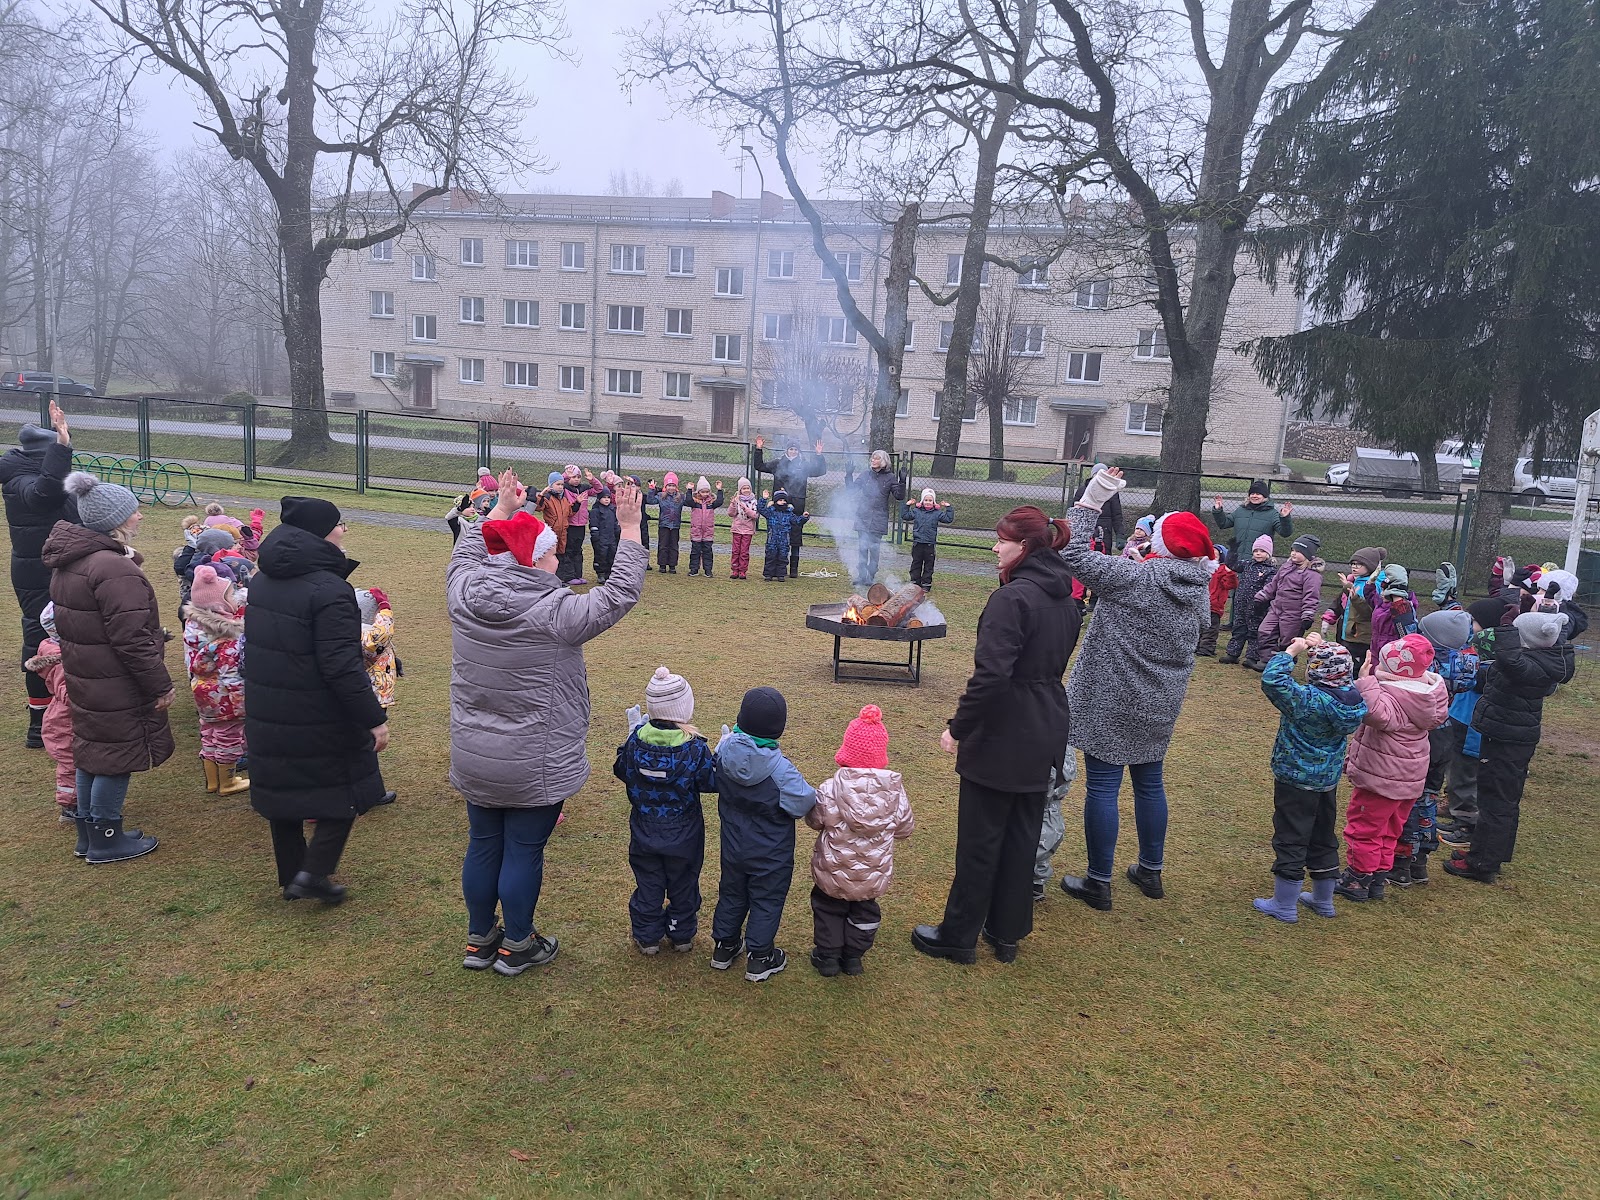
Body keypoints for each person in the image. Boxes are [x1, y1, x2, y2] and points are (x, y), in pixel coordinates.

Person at [448, 471, 646, 974]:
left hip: (476, 753)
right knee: (523, 849)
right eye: (552, 552)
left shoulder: (463, 592)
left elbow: (467, 552)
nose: (558, 558)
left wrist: (500, 509)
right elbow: (618, 594)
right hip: (533, 760)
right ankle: (517, 943)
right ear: (535, 559)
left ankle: (479, 939)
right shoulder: (557, 612)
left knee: (483, 843)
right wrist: (630, 529)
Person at [913, 506, 1080, 964]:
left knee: (981, 839)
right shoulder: (1065, 597)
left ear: (1023, 546)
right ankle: (1007, 932)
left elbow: (992, 677)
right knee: (1021, 835)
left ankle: (958, 936)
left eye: (1001, 540)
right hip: (1045, 727)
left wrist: (958, 728)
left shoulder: (1011, 600)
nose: (994, 547)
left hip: (1006, 730)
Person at [1055, 468, 1212, 911]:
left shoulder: (1134, 577)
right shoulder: (1198, 590)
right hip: (1161, 702)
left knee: (1103, 786)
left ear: (1160, 545)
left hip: (1111, 697)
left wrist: (1093, 498)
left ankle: (1098, 882)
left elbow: (1072, 553)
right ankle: (1150, 870)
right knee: (1149, 782)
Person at [244, 496, 391, 904]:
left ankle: (293, 873)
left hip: (269, 702)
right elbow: (341, 664)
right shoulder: (330, 590)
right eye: (339, 524)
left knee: (283, 788)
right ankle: (312, 873)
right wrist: (373, 718)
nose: (344, 530)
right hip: (317, 708)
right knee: (344, 790)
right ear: (321, 533)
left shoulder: (263, 578)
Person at [43, 471, 175, 863]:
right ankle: (106, 838)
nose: (140, 515)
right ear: (114, 520)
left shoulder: (74, 562)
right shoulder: (112, 568)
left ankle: (89, 835)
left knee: (94, 752)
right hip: (115, 680)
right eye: (133, 510)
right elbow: (131, 638)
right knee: (116, 757)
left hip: (88, 676)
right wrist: (159, 685)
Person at [1445, 610, 1575, 883]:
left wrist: (1505, 629)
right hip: (1512, 737)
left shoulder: (1525, 666)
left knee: (1495, 800)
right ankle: (1490, 853)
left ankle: (1482, 863)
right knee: (1503, 799)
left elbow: (1507, 658)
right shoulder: (1544, 660)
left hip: (1506, 739)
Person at [1251, 636, 1367, 921]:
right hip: (1326, 780)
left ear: (1314, 671)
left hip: (1295, 779)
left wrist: (1291, 652)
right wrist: (1322, 645)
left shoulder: (1306, 700)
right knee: (1323, 836)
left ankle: (1284, 904)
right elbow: (1335, 668)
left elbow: (1273, 680)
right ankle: (1323, 900)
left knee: (1291, 837)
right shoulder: (1352, 700)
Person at [711, 686, 816, 983]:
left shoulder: (724, 753)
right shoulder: (781, 771)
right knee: (766, 899)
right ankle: (760, 957)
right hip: (771, 855)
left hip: (733, 848)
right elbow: (804, 802)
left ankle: (724, 947)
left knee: (732, 892)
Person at [1336, 634, 1448, 902]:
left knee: (1364, 828)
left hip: (1382, 778)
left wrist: (1365, 681)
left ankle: (1358, 878)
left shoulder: (1394, 695)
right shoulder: (1428, 694)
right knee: (1390, 829)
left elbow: (1375, 713)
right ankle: (1378, 877)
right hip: (1409, 779)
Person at [613, 666, 717, 955]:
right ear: (684, 709)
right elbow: (710, 781)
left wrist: (628, 741)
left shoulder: (636, 742)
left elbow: (621, 770)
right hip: (685, 834)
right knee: (684, 884)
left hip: (644, 831)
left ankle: (647, 937)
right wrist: (721, 755)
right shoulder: (695, 748)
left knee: (648, 883)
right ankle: (681, 934)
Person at [806, 705, 915, 977]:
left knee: (828, 907)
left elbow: (815, 820)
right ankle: (853, 957)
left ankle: (828, 957)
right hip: (872, 873)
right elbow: (905, 828)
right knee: (864, 910)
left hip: (834, 869)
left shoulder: (830, 788)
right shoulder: (895, 793)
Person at [1, 402, 77, 747]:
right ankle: (38, 725)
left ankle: (66, 710)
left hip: (53, 564)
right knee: (39, 639)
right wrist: (62, 445)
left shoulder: (33, 474)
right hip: (37, 571)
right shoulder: (21, 480)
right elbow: (45, 496)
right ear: (44, 457)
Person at [1393, 608, 1476, 886]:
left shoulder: (1426, 665)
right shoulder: (1463, 663)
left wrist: (1401, 610)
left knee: (1407, 797)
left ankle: (1401, 860)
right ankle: (1420, 862)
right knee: (1428, 796)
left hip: (1420, 734)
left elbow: (1407, 645)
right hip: (1445, 732)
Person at [183, 565, 250, 797]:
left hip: (203, 692)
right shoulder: (225, 637)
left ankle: (213, 781)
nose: (235, 599)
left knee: (209, 734)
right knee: (229, 737)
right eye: (230, 596)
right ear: (219, 605)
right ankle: (228, 782)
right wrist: (242, 704)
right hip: (224, 697)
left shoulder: (195, 627)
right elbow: (232, 675)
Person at [22, 603, 77, 822]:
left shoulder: (53, 650)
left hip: (63, 717)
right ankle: (70, 806)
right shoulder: (62, 661)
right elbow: (68, 694)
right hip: (64, 721)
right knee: (70, 763)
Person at [1247, 533, 1325, 669]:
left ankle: (1285, 664)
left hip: (1293, 614)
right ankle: (1267, 660)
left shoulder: (1312, 575)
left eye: (1298, 551)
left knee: (1288, 640)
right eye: (1292, 550)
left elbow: (1311, 596)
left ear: (1307, 554)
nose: (1293, 553)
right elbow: (1273, 584)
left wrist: (1307, 615)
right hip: (1276, 609)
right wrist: (1261, 597)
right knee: (1265, 632)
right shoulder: (1286, 567)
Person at [752, 436, 827, 577]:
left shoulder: (804, 465)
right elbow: (759, 466)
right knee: (776, 538)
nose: (793, 451)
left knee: (795, 538)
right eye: (791, 449)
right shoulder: (778, 463)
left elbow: (820, 471)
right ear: (786, 450)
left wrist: (819, 455)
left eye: (795, 449)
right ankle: (775, 569)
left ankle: (793, 569)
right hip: (778, 506)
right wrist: (758, 449)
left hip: (797, 504)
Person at [848, 449, 906, 589]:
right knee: (862, 548)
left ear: (884, 461)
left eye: (877, 458)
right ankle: (861, 575)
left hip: (878, 518)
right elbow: (851, 490)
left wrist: (902, 481)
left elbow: (899, 496)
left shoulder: (890, 478)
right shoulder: (865, 475)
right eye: (872, 458)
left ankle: (870, 575)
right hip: (863, 516)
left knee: (874, 549)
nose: (873, 460)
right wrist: (849, 475)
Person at [1328, 546, 1386, 671]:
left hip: (1361, 637)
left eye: (1359, 564)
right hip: (1350, 634)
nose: (1354, 567)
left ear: (1370, 566)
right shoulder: (1356, 582)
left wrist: (1351, 593)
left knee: (1358, 668)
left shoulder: (1373, 586)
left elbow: (1368, 612)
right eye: (1353, 564)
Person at [1220, 536, 1276, 665]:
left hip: (1257, 607)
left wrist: (1262, 602)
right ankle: (1232, 653)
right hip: (1241, 604)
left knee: (1254, 631)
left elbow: (1269, 588)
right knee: (1238, 628)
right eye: (1256, 550)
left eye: (1262, 551)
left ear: (1268, 553)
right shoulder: (1247, 564)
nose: (1258, 553)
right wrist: (1233, 551)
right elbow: (1231, 565)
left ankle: (1252, 657)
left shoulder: (1270, 571)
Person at [1211, 480, 1293, 563]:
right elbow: (1223, 523)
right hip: (1236, 559)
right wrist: (1218, 510)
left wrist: (1285, 518)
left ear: (1265, 496)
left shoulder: (1272, 514)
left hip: (1258, 561)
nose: (1254, 496)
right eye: (1252, 493)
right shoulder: (1241, 510)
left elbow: (1285, 533)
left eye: (1258, 494)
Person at [903, 489, 955, 591]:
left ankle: (926, 583)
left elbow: (948, 519)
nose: (928, 502)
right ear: (922, 501)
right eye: (926, 500)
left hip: (929, 544)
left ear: (933, 502)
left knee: (929, 565)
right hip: (918, 543)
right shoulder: (916, 511)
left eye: (930, 500)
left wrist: (948, 508)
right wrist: (907, 505)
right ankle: (915, 582)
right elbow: (905, 516)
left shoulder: (937, 513)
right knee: (916, 563)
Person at [356, 587, 398, 712]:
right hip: (371, 694)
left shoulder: (358, 630)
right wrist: (385, 608)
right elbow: (381, 635)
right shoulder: (364, 634)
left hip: (374, 691)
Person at [757, 489, 808, 582]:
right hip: (772, 540)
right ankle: (769, 574)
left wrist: (804, 517)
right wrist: (764, 499)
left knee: (783, 557)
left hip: (784, 540)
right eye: (780, 500)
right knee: (770, 557)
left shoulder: (789, 513)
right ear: (775, 501)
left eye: (784, 500)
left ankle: (781, 574)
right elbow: (760, 509)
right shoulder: (770, 512)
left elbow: (797, 521)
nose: (782, 502)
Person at [1072, 464, 1124, 551]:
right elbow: (1074, 511)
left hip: (1105, 530)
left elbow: (1117, 515)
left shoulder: (1111, 491)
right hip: (1084, 528)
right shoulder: (1082, 490)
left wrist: (1120, 535)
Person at [1197, 550, 1237, 657]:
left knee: (1211, 629)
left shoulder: (1222, 570)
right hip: (1200, 604)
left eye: (1216, 555)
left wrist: (1230, 573)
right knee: (1198, 626)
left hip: (1214, 605)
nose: (1213, 556)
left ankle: (1206, 648)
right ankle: (1196, 645)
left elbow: (1230, 584)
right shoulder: (1202, 568)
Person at [646, 473, 687, 574]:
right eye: (669, 485)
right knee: (663, 545)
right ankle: (662, 565)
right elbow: (650, 500)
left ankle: (672, 565)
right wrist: (652, 489)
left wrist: (690, 491)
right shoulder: (661, 496)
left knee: (674, 546)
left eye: (673, 485)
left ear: (676, 486)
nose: (671, 488)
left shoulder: (680, 497)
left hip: (675, 525)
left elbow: (690, 501)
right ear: (665, 486)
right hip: (664, 525)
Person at [683, 477, 724, 577]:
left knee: (707, 551)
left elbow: (719, 502)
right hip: (696, 530)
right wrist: (689, 490)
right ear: (698, 492)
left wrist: (719, 490)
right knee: (695, 551)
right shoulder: (695, 503)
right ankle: (694, 569)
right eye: (703, 492)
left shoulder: (711, 503)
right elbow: (688, 500)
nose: (705, 494)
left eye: (707, 492)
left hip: (708, 531)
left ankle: (708, 570)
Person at [588, 483, 621, 585]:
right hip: (601, 539)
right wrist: (595, 537)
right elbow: (594, 525)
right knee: (601, 555)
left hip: (611, 538)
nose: (606, 500)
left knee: (612, 555)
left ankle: (609, 573)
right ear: (599, 498)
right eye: (604, 497)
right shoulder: (595, 511)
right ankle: (600, 573)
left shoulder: (612, 509)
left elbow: (615, 523)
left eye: (608, 497)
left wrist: (617, 533)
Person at [727, 478, 759, 581]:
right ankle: (735, 570)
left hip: (748, 530)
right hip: (737, 529)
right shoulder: (737, 500)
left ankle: (742, 570)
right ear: (740, 490)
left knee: (744, 551)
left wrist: (745, 508)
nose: (746, 490)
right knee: (735, 551)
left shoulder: (754, 502)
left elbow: (755, 515)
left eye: (747, 488)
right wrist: (733, 504)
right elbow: (731, 513)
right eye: (744, 488)